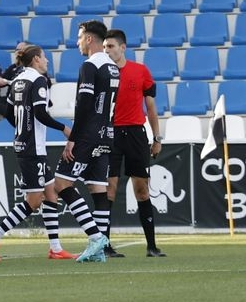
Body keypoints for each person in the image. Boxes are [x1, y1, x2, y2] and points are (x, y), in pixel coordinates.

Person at [0, 45, 76, 262]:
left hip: (26, 143)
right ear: (35, 60)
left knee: (51, 193)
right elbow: (41, 113)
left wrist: (23, 129)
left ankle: (56, 248)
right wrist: (64, 128)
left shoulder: (18, 80)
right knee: (33, 201)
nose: (47, 61)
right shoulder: (38, 81)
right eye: (44, 57)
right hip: (33, 148)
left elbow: (11, 113)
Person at [54, 20, 119, 263]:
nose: (77, 42)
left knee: (61, 184)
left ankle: (95, 238)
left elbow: (84, 106)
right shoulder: (113, 67)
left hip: (88, 135)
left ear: (90, 39)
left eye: (80, 37)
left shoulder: (90, 66)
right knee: (97, 189)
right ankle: (99, 249)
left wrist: (73, 138)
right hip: (106, 134)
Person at [103, 30, 167, 258]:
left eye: (110, 46)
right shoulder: (101, 73)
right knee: (109, 190)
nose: (107, 50)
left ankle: (152, 246)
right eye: (104, 47)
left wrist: (157, 138)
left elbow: (150, 107)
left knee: (142, 190)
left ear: (123, 47)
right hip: (110, 136)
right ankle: (105, 246)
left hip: (136, 136)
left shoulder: (141, 71)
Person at [0, 42, 26, 117]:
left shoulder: (31, 66)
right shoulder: (13, 67)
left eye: (20, 50)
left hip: (24, 98)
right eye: (16, 50)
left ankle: (15, 112)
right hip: (10, 98)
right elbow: (2, 77)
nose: (18, 52)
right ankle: (13, 113)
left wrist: (8, 81)